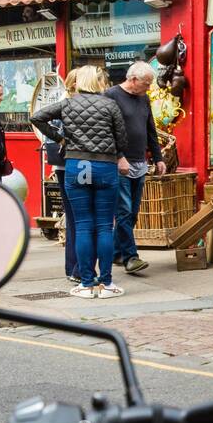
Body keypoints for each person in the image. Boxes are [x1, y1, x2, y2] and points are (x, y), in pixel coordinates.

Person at [31, 65, 129, 299]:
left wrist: (62, 139)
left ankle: (86, 283)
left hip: (77, 166)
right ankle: (106, 283)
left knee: (83, 225)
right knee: (105, 226)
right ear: (97, 82)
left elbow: (37, 117)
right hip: (104, 167)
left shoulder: (67, 104)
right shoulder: (110, 105)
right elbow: (122, 140)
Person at [106, 62, 166, 275]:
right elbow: (107, 131)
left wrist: (158, 157)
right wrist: (119, 157)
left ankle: (116, 253)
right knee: (123, 211)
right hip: (120, 163)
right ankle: (131, 257)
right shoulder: (111, 95)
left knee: (131, 214)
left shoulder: (144, 98)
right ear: (132, 80)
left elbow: (151, 130)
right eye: (146, 83)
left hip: (140, 162)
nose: (149, 87)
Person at [40, 70, 80, 284]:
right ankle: (76, 267)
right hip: (75, 166)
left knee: (73, 217)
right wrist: (63, 140)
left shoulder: (61, 103)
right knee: (78, 218)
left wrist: (59, 140)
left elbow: (43, 126)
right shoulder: (69, 106)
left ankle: (72, 267)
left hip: (61, 166)